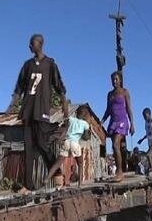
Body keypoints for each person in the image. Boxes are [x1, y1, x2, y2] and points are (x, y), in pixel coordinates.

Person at [7, 34, 68, 191]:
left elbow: (59, 87)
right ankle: (28, 185)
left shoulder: (50, 64)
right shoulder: (27, 65)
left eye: (32, 43)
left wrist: (65, 109)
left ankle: (57, 173)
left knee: (42, 144)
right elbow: (19, 88)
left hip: (42, 112)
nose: (30, 46)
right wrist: (12, 106)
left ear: (40, 44)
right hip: (28, 111)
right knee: (28, 149)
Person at [43, 105, 91, 186]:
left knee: (58, 163)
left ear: (76, 113)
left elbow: (65, 124)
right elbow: (86, 137)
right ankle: (80, 183)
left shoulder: (71, 119)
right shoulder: (85, 124)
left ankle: (47, 178)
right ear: (85, 115)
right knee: (80, 163)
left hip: (67, 142)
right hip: (75, 144)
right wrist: (87, 132)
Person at [101, 71, 135, 182]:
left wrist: (132, 123)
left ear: (120, 80)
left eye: (116, 79)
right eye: (112, 80)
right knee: (116, 147)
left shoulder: (125, 92)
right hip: (113, 122)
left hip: (122, 121)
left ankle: (119, 172)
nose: (114, 81)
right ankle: (122, 166)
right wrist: (102, 121)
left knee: (116, 145)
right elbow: (108, 110)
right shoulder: (109, 94)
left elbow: (129, 109)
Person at [137, 108, 152, 175]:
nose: (144, 118)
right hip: (150, 143)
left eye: (145, 116)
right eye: (143, 116)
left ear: (149, 114)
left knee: (148, 155)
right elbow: (148, 134)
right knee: (151, 157)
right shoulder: (146, 123)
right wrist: (142, 139)